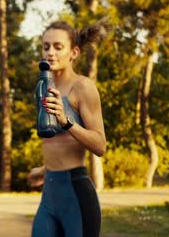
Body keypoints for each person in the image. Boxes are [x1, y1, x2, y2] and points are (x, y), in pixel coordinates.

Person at [28, 18, 109, 237]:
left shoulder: (83, 87)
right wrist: (44, 170)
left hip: (76, 195)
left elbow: (100, 145)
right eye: (46, 47)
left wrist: (67, 121)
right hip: (49, 193)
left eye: (58, 47)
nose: (50, 53)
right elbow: (58, 143)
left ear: (73, 52)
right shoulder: (42, 89)